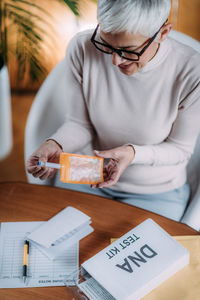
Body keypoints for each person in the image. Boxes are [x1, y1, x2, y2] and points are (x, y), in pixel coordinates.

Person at [27, 0, 200, 222]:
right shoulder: (82, 48)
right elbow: (80, 124)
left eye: (128, 51)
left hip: (155, 192)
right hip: (86, 176)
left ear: (163, 33)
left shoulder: (191, 71)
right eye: (106, 44)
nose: (115, 61)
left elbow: (180, 149)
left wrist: (133, 154)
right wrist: (55, 144)